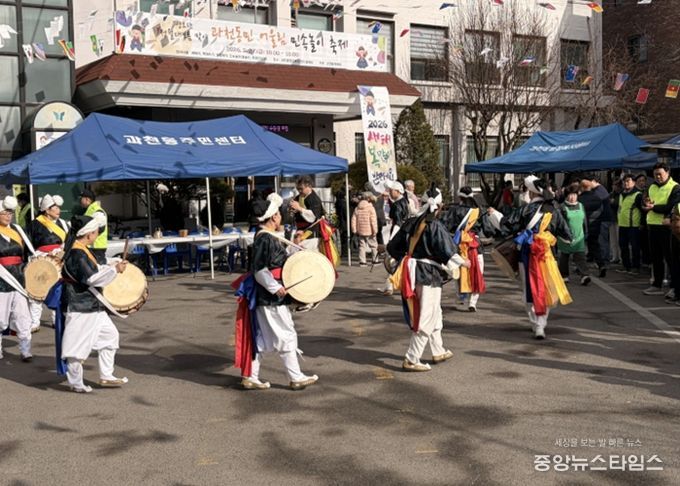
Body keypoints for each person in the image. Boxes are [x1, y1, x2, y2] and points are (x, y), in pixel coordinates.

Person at [235, 193, 319, 390]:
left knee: (264, 339)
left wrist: (294, 246)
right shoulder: (265, 238)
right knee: (286, 334)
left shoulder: (267, 236)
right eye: (279, 214)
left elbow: (277, 261)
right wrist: (276, 288)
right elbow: (260, 270)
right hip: (271, 297)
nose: (281, 217)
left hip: (267, 296)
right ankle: (296, 377)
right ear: (274, 217)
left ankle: (250, 376)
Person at [387, 183, 468, 372]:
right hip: (427, 274)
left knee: (434, 312)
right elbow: (446, 250)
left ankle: (438, 350)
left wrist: (407, 258)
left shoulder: (411, 222)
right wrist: (463, 262)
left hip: (412, 272)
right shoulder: (434, 225)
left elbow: (392, 247)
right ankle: (412, 358)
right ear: (439, 206)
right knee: (427, 315)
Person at [488, 176, 573, 339]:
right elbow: (568, 236)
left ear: (532, 193)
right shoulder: (554, 209)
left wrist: (494, 214)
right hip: (546, 254)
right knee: (545, 287)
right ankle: (542, 322)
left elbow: (506, 224)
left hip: (527, 252)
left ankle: (535, 323)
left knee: (529, 287)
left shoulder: (526, 209)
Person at [60, 213, 129, 393]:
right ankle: (76, 383)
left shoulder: (82, 249)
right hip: (80, 305)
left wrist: (112, 265)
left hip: (92, 305)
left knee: (110, 336)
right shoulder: (77, 253)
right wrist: (115, 269)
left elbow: (95, 270)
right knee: (76, 347)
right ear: (89, 233)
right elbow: (92, 278)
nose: (98, 234)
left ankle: (106, 375)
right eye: (97, 231)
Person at [442, 186, 492, 312]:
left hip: (459, 245)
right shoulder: (479, 211)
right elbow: (488, 230)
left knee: (459, 271)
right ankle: (473, 302)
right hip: (476, 245)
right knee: (478, 272)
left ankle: (461, 296)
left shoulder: (454, 210)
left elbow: (444, 226)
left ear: (460, 197)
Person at [27, 194, 69, 333]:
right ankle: (34, 322)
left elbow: (68, 242)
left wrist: (60, 253)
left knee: (57, 290)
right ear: (47, 210)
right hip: (41, 260)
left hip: (58, 260)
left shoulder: (63, 224)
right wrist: (39, 256)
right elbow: (28, 245)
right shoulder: (34, 224)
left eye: (58, 208)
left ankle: (56, 319)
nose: (58, 210)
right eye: (55, 208)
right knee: (37, 291)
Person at [0, 196, 33, 362]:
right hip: (1, 279)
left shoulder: (18, 230)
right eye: (5, 213)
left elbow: (27, 252)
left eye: (10, 213)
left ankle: (25, 350)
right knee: (0, 318)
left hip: (19, 277)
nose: (8, 216)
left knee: (23, 316)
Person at [641, 162, 680, 297]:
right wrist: (645, 205)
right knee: (656, 257)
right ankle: (656, 284)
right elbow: (644, 201)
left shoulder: (675, 187)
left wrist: (653, 208)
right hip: (652, 225)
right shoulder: (651, 186)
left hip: (668, 227)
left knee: (671, 259)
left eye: (660, 174)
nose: (658, 177)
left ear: (668, 173)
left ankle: (674, 286)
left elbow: (671, 207)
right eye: (655, 174)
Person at [579, 174, 613, 278]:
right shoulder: (597, 198)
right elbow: (601, 211)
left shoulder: (580, 199)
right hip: (596, 225)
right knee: (595, 245)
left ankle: (581, 268)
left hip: (584, 226)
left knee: (581, 248)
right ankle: (601, 265)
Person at [381, 180, 410, 296]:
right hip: (404, 233)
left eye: (391, 191)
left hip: (398, 234)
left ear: (398, 191)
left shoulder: (398, 204)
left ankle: (390, 285)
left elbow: (398, 223)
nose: (390, 192)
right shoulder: (403, 202)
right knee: (398, 260)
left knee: (393, 260)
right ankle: (391, 284)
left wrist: (391, 239)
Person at [557, 185, 591, 286]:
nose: (572, 197)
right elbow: (559, 223)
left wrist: (586, 232)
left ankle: (584, 275)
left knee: (581, 257)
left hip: (579, 236)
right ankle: (564, 275)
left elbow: (584, 221)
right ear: (566, 196)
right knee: (564, 258)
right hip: (565, 237)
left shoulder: (581, 205)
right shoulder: (562, 207)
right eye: (570, 195)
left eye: (574, 195)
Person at [615, 174, 643, 275]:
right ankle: (626, 266)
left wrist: (642, 223)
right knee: (623, 246)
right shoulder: (622, 194)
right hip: (622, 225)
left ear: (634, 182)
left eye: (628, 181)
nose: (625, 183)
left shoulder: (638, 195)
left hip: (633, 226)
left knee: (635, 247)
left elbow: (643, 210)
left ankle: (636, 267)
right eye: (624, 181)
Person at [289, 175, 325, 251]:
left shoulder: (314, 199)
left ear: (309, 186)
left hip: (311, 235)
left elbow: (313, 217)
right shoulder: (298, 197)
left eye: (301, 189)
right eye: (298, 189)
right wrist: (293, 210)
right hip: (300, 233)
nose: (299, 191)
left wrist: (299, 208)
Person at [80, 189, 108, 264]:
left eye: (81, 198)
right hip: (91, 245)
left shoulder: (97, 211)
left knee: (97, 268)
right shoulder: (90, 210)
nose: (80, 201)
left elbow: (100, 228)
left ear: (87, 199)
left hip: (96, 247)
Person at [351, 192, 378, 267]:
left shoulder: (357, 208)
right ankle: (375, 260)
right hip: (370, 231)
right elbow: (373, 221)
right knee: (374, 246)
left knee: (362, 246)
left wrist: (354, 230)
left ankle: (362, 262)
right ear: (369, 198)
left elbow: (353, 219)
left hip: (360, 230)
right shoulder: (371, 208)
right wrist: (375, 230)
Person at [635, 173, 651, 266]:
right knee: (642, 242)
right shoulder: (637, 194)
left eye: (643, 181)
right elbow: (641, 210)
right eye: (640, 181)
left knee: (646, 242)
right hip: (640, 221)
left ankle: (647, 261)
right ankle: (645, 260)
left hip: (647, 221)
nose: (642, 183)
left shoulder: (647, 191)